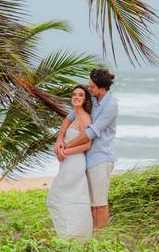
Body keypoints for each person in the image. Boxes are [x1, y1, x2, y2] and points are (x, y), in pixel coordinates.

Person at [54, 68, 118, 230]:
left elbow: (90, 133)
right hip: (84, 159)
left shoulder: (110, 106)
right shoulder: (93, 99)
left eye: (92, 87)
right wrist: (60, 138)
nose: (89, 89)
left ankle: (101, 240)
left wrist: (67, 147)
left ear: (102, 88)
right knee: (89, 204)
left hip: (100, 159)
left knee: (99, 204)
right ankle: (91, 239)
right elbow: (71, 116)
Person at [47, 85, 94, 241]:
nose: (76, 97)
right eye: (74, 94)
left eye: (80, 95)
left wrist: (65, 151)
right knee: (60, 197)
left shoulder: (85, 117)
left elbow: (87, 145)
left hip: (75, 161)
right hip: (66, 162)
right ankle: (67, 234)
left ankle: (76, 235)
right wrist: (59, 143)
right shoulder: (73, 115)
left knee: (64, 196)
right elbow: (62, 132)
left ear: (85, 99)